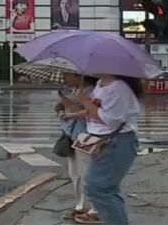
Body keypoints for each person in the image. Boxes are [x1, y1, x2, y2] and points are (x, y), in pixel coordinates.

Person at [65, 75, 142, 225]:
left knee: (99, 189)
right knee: (103, 189)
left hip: (116, 142)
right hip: (101, 142)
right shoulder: (101, 84)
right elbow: (93, 111)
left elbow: (110, 119)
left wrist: (84, 100)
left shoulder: (119, 87)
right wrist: (74, 112)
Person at [55, 73, 101, 223]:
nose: (64, 78)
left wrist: (69, 106)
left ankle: (95, 208)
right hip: (72, 135)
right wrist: (61, 107)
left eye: (67, 76)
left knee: (87, 173)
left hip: (86, 136)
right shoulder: (73, 91)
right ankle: (79, 206)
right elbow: (64, 109)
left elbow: (92, 112)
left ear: (79, 76)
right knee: (75, 174)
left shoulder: (94, 91)